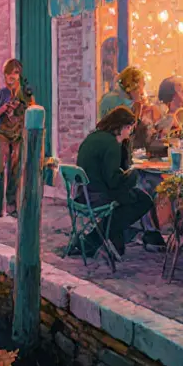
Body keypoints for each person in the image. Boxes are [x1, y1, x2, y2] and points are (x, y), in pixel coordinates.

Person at [68, 107, 155, 259]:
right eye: (129, 128)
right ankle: (92, 241)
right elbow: (113, 181)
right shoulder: (111, 144)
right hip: (97, 196)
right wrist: (132, 175)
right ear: (121, 127)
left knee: (130, 200)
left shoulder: (94, 137)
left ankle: (102, 243)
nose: (130, 133)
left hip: (83, 194)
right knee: (144, 201)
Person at [0, 59, 33, 217]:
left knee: (15, 170)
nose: (11, 77)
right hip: (2, 134)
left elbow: (31, 112)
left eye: (15, 73)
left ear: (19, 75)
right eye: (8, 73)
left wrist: (21, 107)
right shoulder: (1, 93)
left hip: (17, 136)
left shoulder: (25, 94)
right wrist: (5, 107)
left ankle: (11, 206)